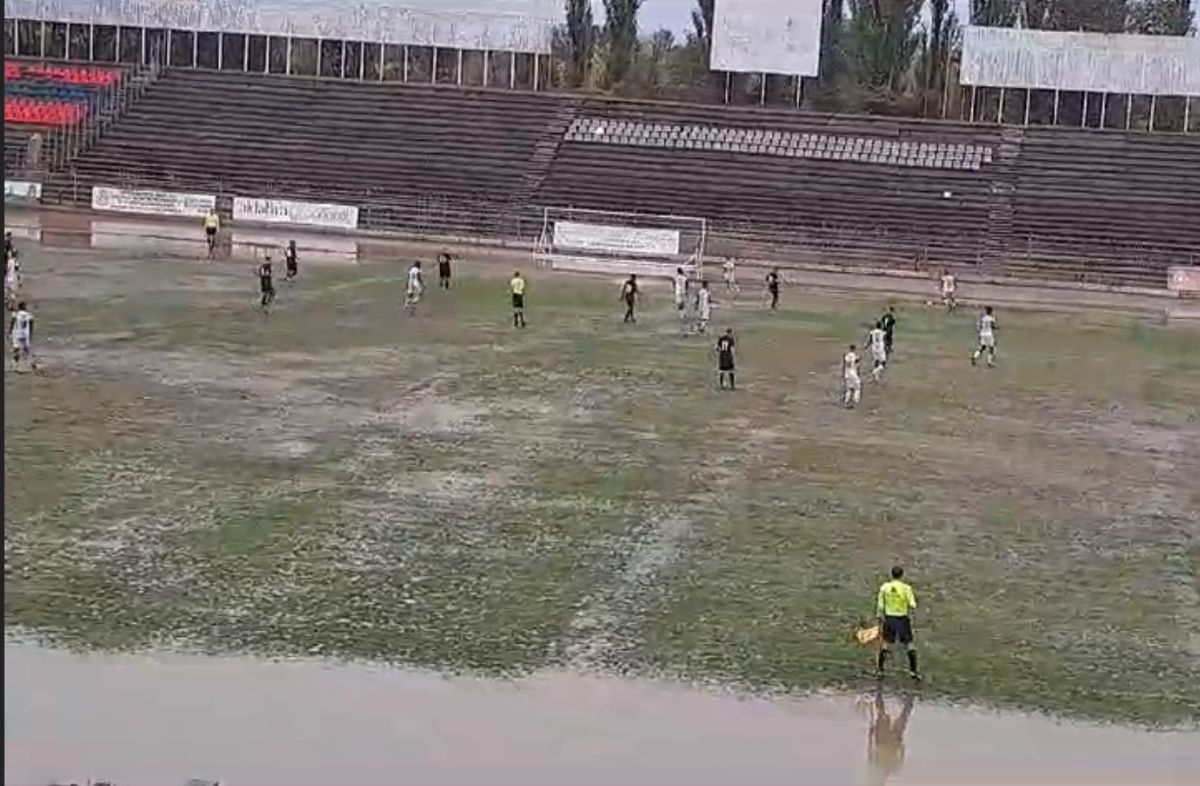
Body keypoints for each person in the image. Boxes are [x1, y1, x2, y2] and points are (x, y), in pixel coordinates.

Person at [875, 565, 920, 681]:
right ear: (902, 575)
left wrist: (879, 616)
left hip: (889, 618)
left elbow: (880, 605)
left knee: (885, 643)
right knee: (909, 644)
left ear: (892, 574)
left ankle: (880, 670)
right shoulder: (906, 588)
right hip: (902, 619)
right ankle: (913, 671)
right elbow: (912, 605)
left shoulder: (885, 587)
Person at [867, 690, 915, 786]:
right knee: (901, 716)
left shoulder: (878, 765)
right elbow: (901, 756)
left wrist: (871, 734)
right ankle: (911, 695)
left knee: (884, 714)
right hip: (890, 742)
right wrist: (901, 745)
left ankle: (880, 690)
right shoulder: (891, 766)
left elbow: (871, 750)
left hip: (885, 740)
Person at [9, 300, 35, 372]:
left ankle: (14, 365)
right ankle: (32, 363)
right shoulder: (29, 315)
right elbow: (31, 325)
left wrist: (10, 332)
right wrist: (31, 334)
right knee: (27, 350)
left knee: (16, 350)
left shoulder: (16, 314)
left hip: (17, 334)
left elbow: (12, 323)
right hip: (25, 335)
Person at [843, 344, 861, 408]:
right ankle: (855, 402)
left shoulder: (846, 356)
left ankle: (846, 401)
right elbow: (857, 363)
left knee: (849, 389)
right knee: (857, 388)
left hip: (847, 374)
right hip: (853, 374)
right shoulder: (854, 356)